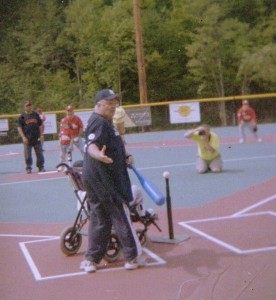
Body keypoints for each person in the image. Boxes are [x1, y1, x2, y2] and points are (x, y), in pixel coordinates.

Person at [80, 88, 145, 273]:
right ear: (98, 105)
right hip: (104, 177)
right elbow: (92, 145)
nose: (113, 106)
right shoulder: (99, 122)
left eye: (114, 103)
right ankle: (132, 257)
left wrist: (126, 154)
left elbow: (114, 144)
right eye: (109, 103)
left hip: (99, 176)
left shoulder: (106, 122)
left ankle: (92, 259)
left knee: (100, 216)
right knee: (118, 213)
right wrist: (99, 156)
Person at [17, 100, 45, 173]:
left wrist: (41, 135)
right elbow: (19, 128)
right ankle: (28, 167)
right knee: (27, 155)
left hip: (36, 137)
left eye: (30, 105)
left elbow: (40, 125)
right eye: (27, 105)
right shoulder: (22, 116)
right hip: (27, 138)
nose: (29, 107)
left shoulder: (35, 114)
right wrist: (23, 137)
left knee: (39, 154)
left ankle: (41, 167)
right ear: (24, 107)